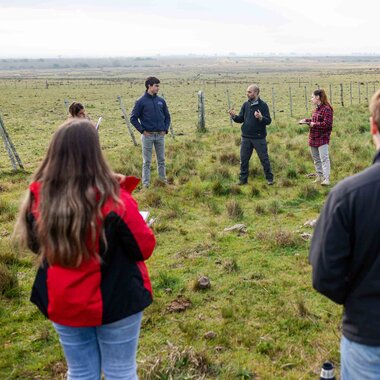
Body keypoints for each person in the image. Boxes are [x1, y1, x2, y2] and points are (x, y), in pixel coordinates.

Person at [14, 119, 156, 379]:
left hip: (64, 301)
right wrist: (121, 190)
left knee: (80, 372)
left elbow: (36, 246)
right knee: (121, 372)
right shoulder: (115, 200)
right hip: (117, 299)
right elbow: (143, 247)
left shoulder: (39, 197)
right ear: (95, 154)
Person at [309, 90, 380, 379]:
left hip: (369, 337)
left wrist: (360, 300)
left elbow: (324, 274)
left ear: (373, 127)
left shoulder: (349, 195)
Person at [228, 84, 274, 185]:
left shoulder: (263, 105)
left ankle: (270, 179)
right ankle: (243, 180)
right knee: (244, 160)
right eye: (247, 92)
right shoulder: (245, 105)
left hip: (259, 138)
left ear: (256, 93)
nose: (247, 94)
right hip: (246, 138)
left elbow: (268, 121)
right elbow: (241, 119)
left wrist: (261, 117)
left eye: (249, 92)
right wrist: (234, 116)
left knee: (264, 159)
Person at [130, 76, 171, 188]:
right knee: (147, 162)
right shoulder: (140, 101)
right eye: (156, 86)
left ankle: (163, 182)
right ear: (149, 86)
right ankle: (146, 185)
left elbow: (167, 116)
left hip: (160, 135)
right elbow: (133, 118)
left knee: (161, 160)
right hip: (147, 136)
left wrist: (165, 129)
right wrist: (142, 131)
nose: (158, 88)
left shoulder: (161, 101)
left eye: (158, 86)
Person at [299, 89, 333, 186]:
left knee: (324, 159)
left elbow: (328, 124)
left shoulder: (327, 109)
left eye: (312, 97)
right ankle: (319, 177)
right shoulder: (316, 109)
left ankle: (326, 179)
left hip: (322, 138)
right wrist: (306, 120)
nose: (311, 99)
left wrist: (314, 124)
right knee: (316, 159)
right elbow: (315, 120)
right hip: (313, 138)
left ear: (318, 97)